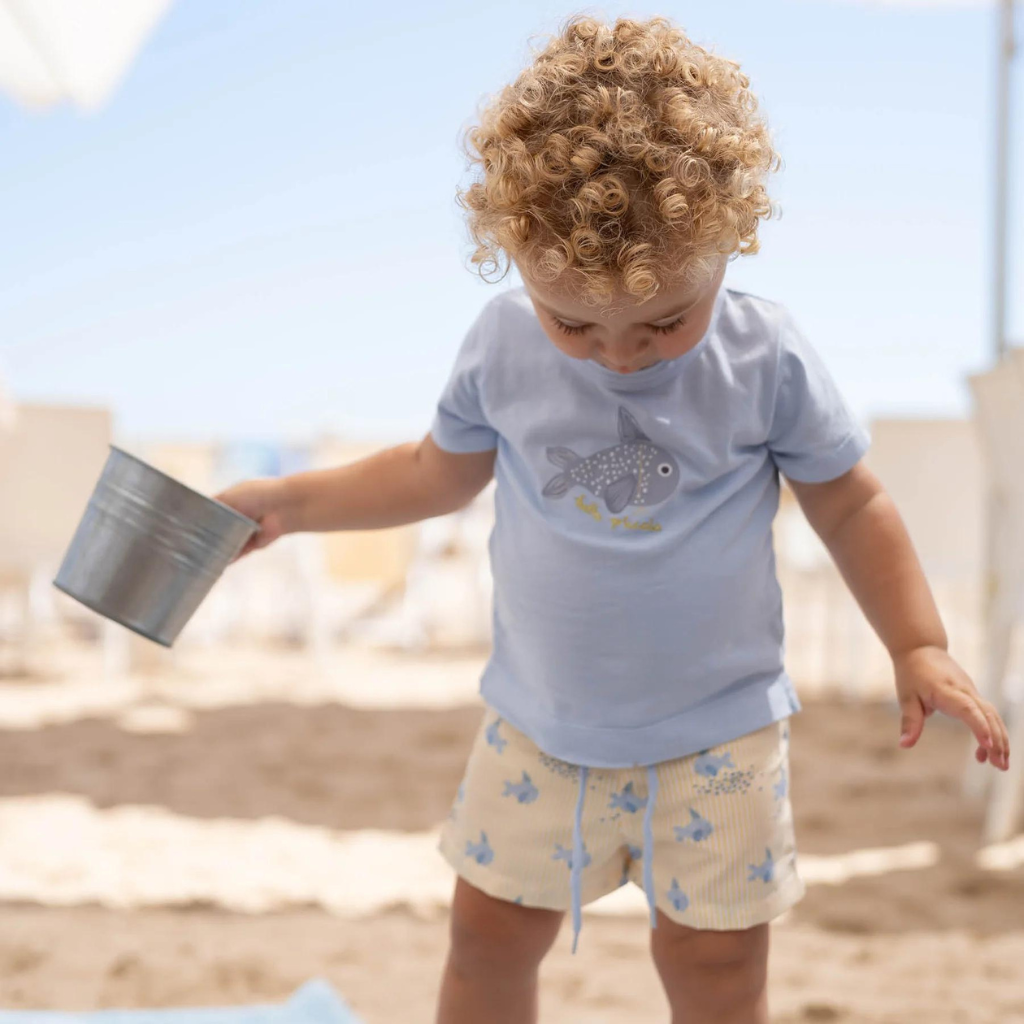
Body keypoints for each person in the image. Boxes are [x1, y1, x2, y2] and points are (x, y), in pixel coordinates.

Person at [215, 15, 1010, 1023]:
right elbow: (429, 473)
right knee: (488, 937)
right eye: (576, 323)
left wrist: (918, 640)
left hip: (719, 737)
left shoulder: (763, 357)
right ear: (515, 254)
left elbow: (850, 500)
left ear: (731, 236)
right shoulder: (502, 345)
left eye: (664, 321)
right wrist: (288, 501)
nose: (620, 355)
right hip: (539, 728)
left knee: (715, 964)